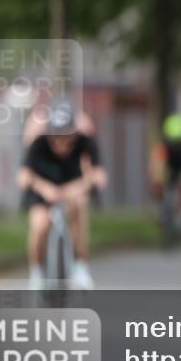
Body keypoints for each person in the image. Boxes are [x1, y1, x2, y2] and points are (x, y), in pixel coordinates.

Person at [17, 99, 107, 290]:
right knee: (40, 226)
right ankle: (37, 272)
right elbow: (23, 177)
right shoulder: (38, 143)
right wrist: (44, 188)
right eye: (56, 137)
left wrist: (81, 186)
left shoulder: (85, 141)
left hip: (73, 189)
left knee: (78, 207)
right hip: (44, 191)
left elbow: (100, 176)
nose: (60, 144)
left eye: (66, 137)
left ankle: (80, 266)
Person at [148, 113, 181, 218]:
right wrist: (157, 183)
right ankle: (162, 208)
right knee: (156, 183)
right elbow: (155, 166)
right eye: (172, 142)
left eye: (178, 142)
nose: (175, 145)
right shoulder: (163, 146)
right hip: (168, 164)